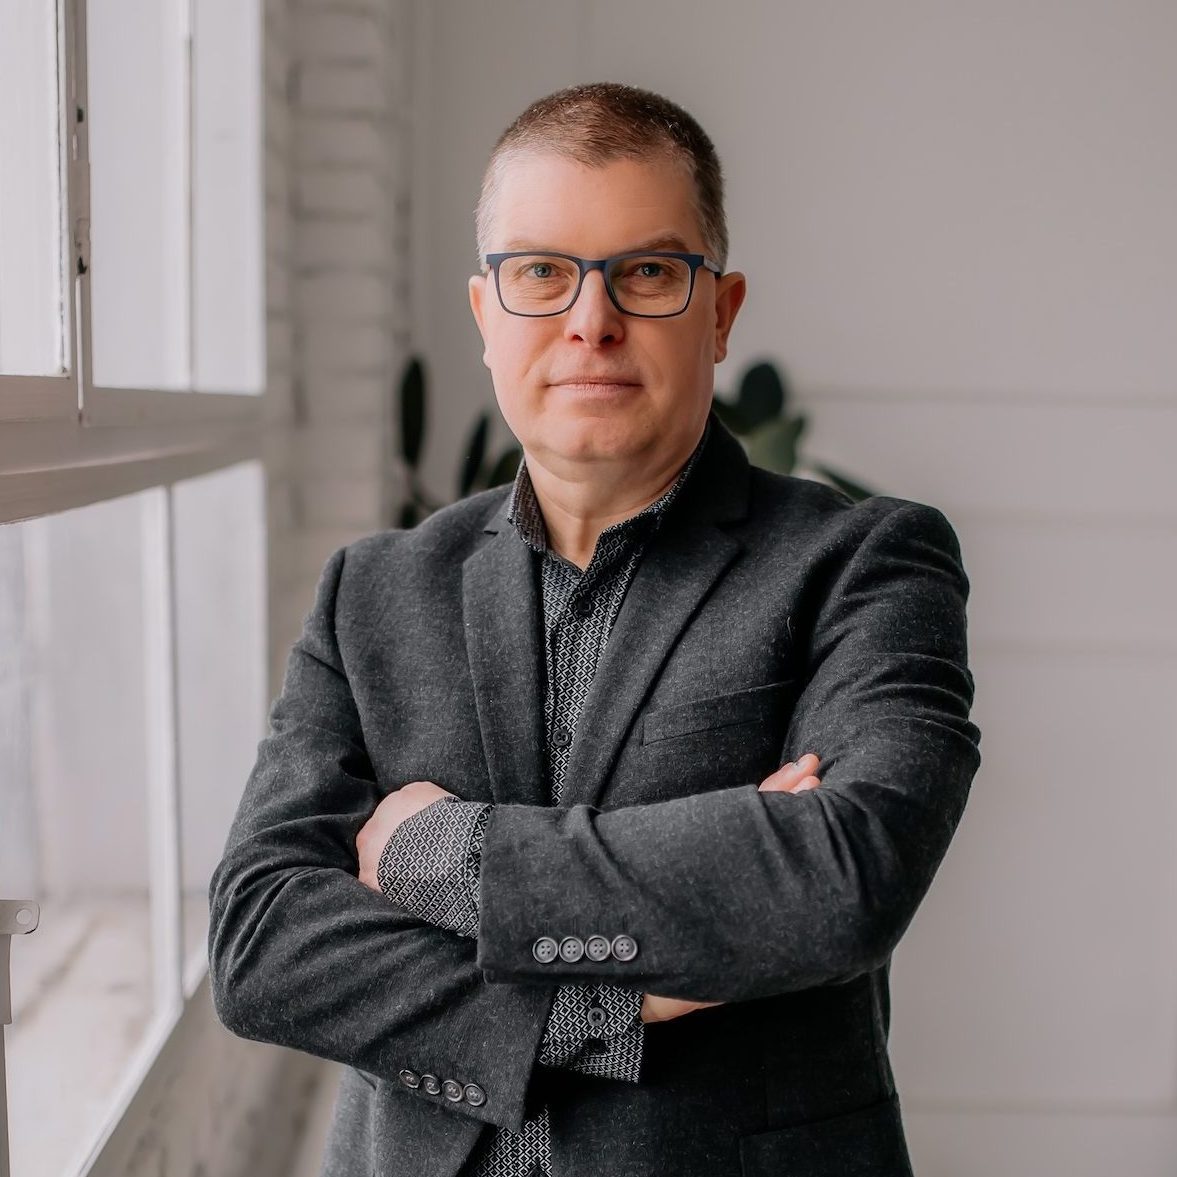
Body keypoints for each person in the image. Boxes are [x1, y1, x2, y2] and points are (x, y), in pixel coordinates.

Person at [208, 82, 981, 1177]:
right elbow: (262, 942)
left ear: (720, 312)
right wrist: (602, 1008)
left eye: (648, 272)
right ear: (485, 313)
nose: (590, 321)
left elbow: (843, 877)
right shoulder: (371, 591)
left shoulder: (865, 562)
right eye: (540, 272)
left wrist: (441, 853)